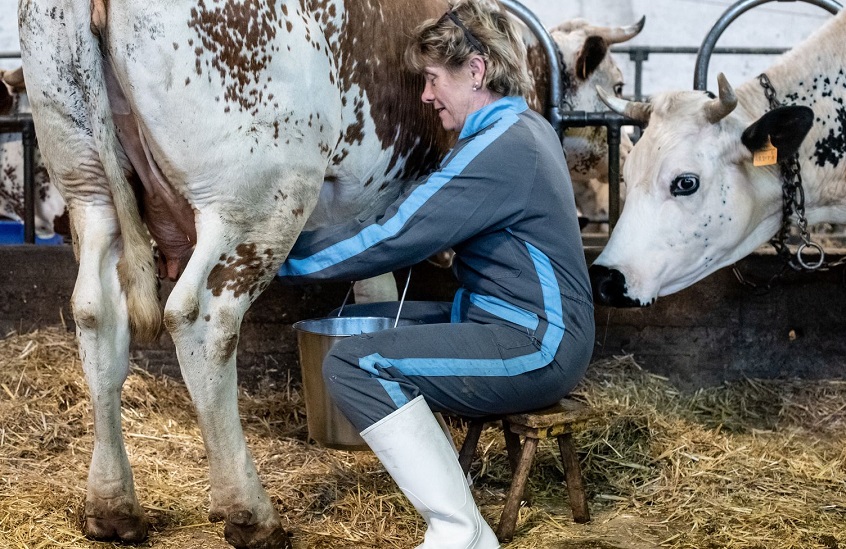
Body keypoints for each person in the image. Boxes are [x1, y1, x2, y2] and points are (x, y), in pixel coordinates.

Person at [278, 1, 595, 546]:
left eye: (432, 79)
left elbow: (396, 236)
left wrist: (279, 260)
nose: (425, 96)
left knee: (354, 363)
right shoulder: (520, 128)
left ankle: (459, 532)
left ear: (475, 70)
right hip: (504, 319)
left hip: (538, 342)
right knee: (366, 321)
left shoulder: (504, 146)